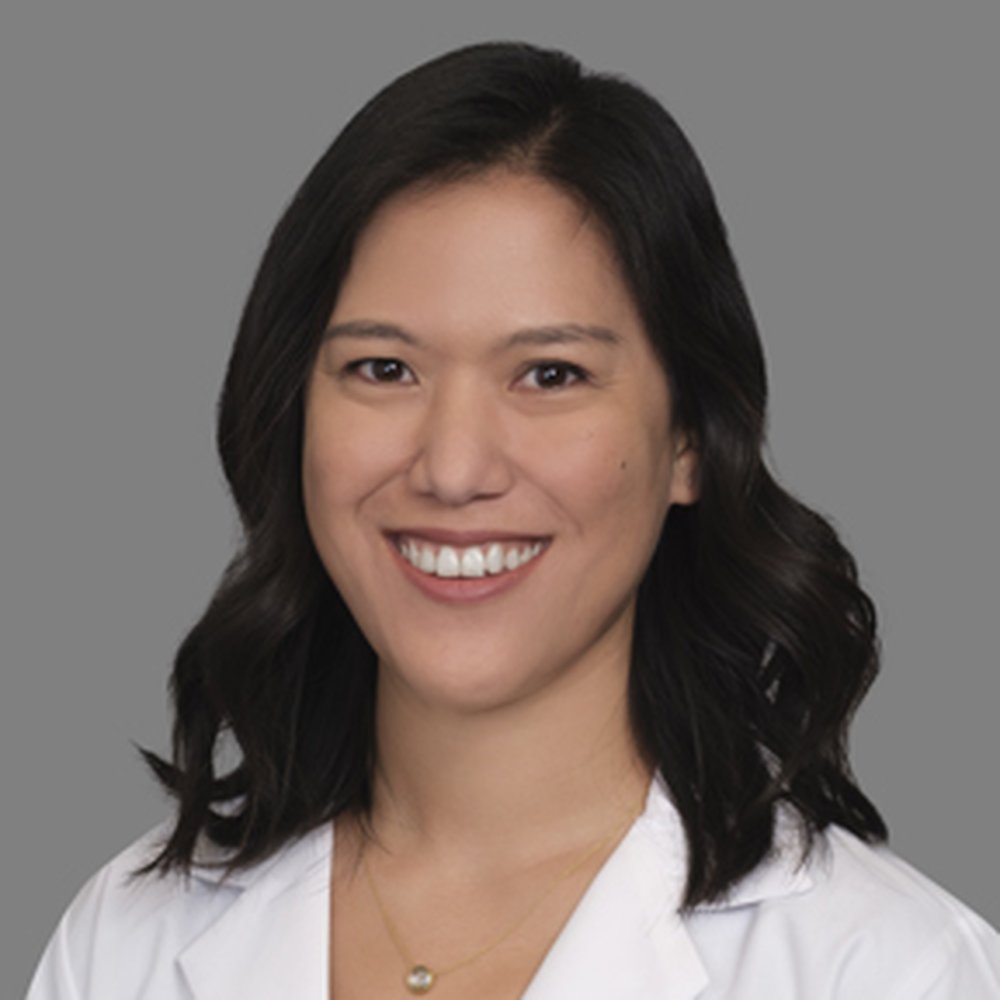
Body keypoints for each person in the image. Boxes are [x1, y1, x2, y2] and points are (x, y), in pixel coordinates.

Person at [26, 40, 1000, 1000]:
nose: (453, 470)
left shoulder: (888, 972)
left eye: (550, 374)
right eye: (384, 368)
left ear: (690, 443)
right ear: (292, 415)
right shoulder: (124, 942)